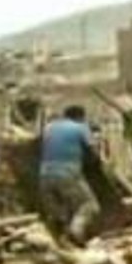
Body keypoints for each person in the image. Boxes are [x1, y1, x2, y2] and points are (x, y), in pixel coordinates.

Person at [38, 104, 100, 245]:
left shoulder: (49, 128)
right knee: (89, 205)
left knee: (61, 213)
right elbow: (93, 154)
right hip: (67, 173)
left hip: (44, 175)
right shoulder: (80, 127)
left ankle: (61, 241)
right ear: (81, 117)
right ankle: (75, 232)